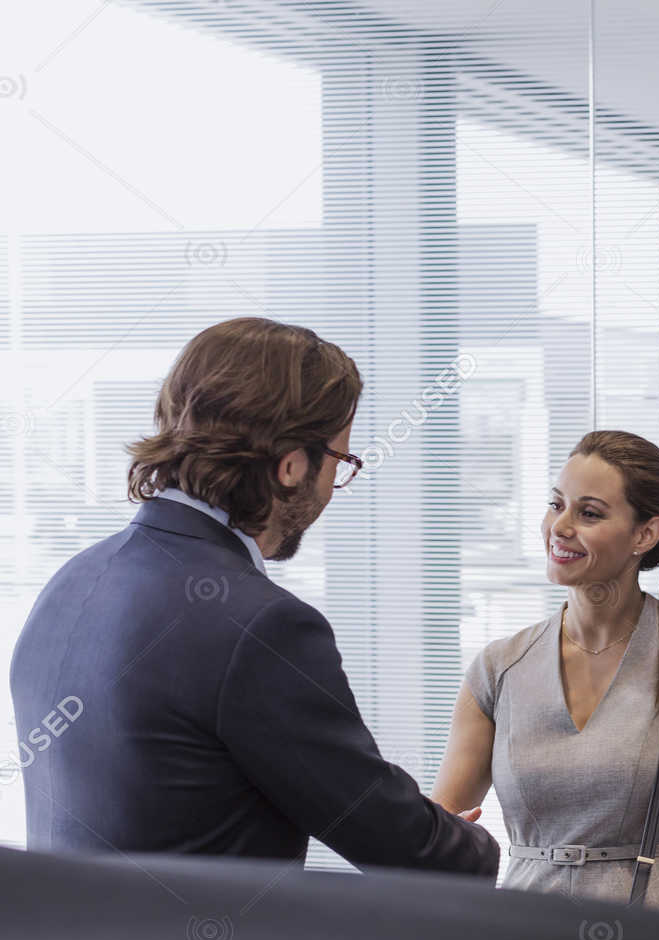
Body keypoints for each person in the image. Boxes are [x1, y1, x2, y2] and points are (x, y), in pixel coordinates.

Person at [9, 317, 498, 877]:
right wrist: (471, 843)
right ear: (292, 465)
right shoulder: (261, 626)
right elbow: (398, 844)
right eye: (341, 460)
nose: (336, 484)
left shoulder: (71, 581)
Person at [433, 431, 659, 915]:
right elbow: (439, 827)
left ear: (644, 535)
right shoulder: (499, 668)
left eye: (589, 513)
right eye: (556, 504)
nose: (560, 526)